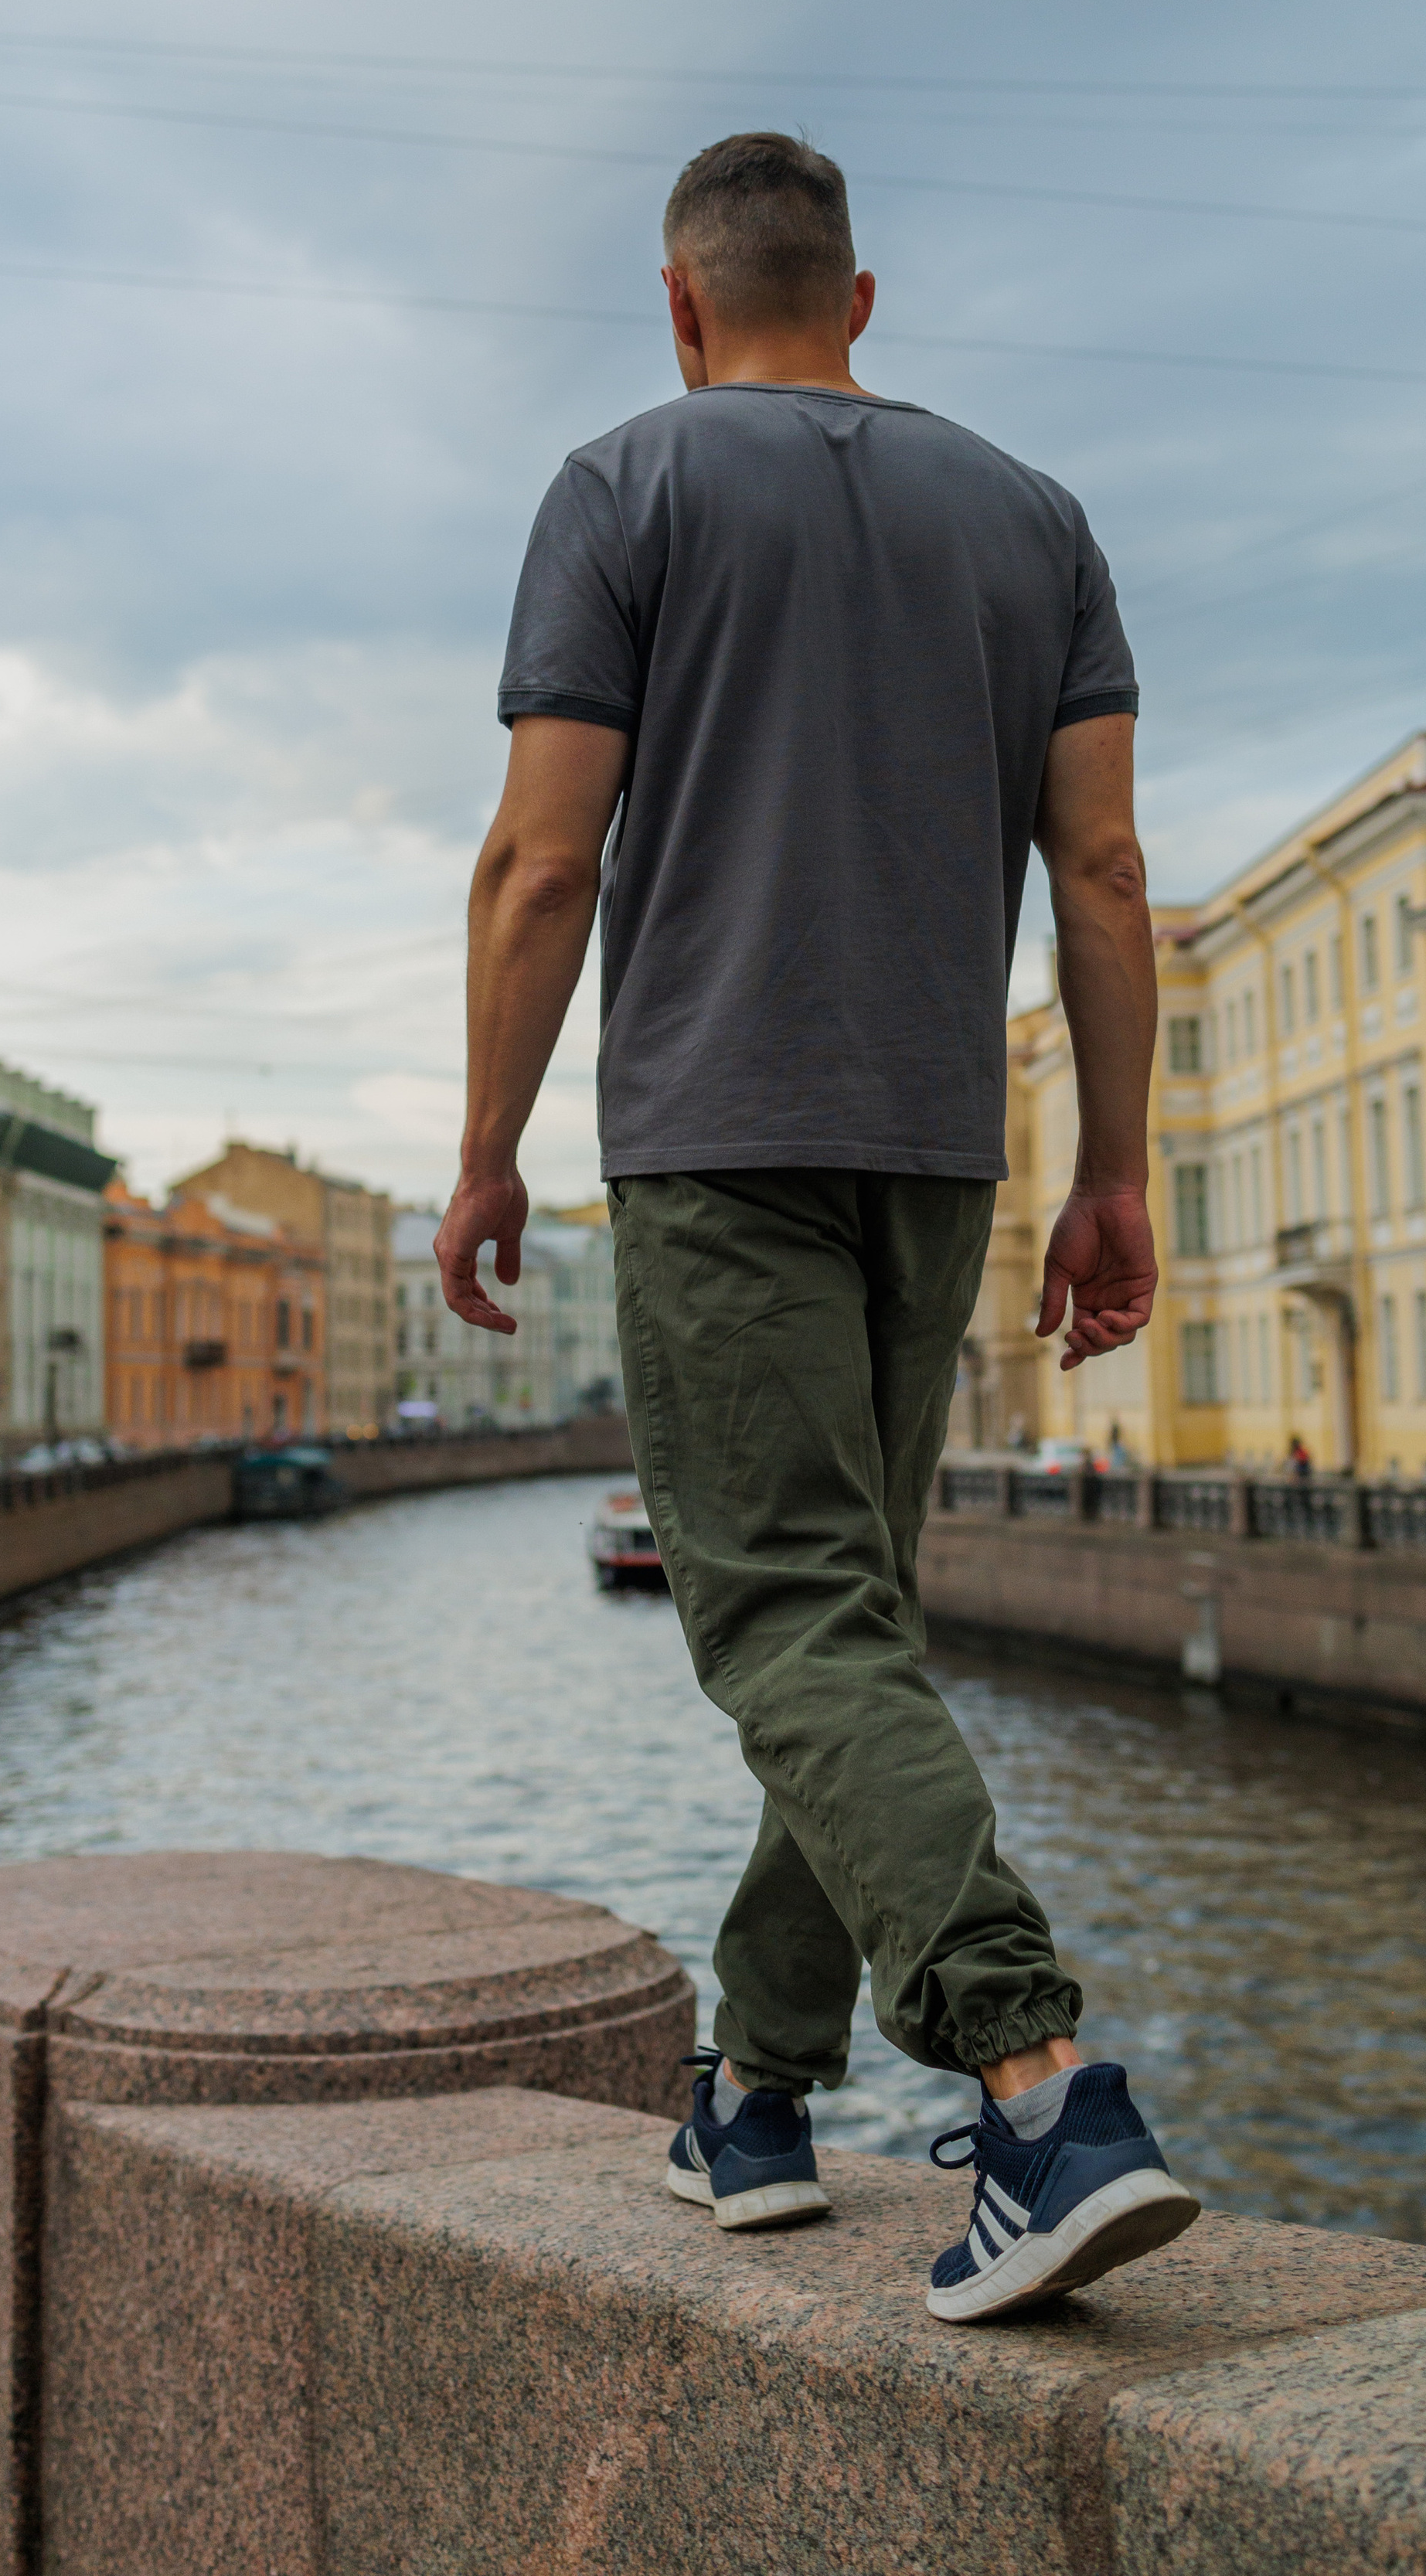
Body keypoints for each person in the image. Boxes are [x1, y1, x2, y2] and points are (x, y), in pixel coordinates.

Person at [437, 131, 1196, 2325]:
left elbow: (542, 861)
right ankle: (757, 2099)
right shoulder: (1038, 519)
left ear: (682, 307)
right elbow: (1106, 874)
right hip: (938, 1149)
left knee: (784, 1619)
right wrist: (1115, 1166)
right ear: (861, 301)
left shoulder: (624, 487)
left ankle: (1040, 2090)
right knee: (848, 1620)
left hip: (714, 1130)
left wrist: (486, 1144)